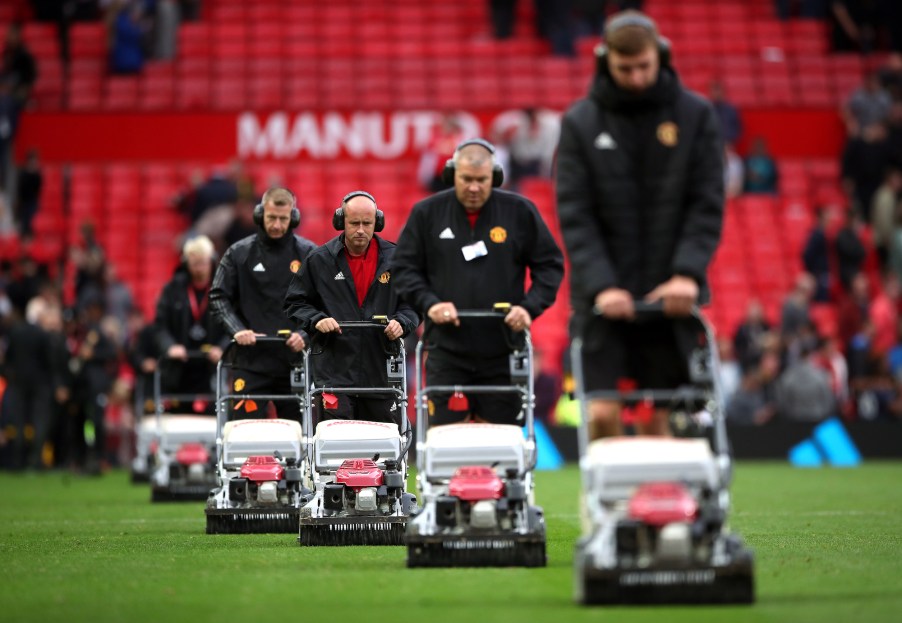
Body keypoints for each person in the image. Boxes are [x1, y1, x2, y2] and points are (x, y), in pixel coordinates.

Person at [555, 10, 725, 439]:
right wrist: (602, 285)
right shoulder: (580, 122)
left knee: (658, 417)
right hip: (601, 299)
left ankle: (658, 506)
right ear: (605, 61)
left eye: (644, 66)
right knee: (601, 415)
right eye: (624, 68)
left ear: (661, 57)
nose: (635, 77)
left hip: (670, 295)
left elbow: (706, 203)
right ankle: (611, 504)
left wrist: (687, 273)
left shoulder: (696, 115)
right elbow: (575, 214)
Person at [393, 137, 564, 426]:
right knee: (446, 438)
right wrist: (429, 304)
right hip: (445, 348)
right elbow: (403, 269)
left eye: (482, 179)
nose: (474, 187)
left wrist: (529, 307)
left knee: (499, 438)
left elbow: (549, 266)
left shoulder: (520, 212)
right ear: (452, 175)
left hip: (503, 347)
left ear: (495, 176)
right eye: (467, 179)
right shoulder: (426, 213)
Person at [283, 191, 420, 426]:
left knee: (384, 452)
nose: (360, 230)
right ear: (340, 222)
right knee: (336, 451)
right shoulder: (319, 260)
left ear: (377, 222)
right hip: (334, 373)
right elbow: (294, 303)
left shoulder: (398, 259)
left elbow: (414, 303)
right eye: (354, 223)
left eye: (367, 223)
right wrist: (317, 319)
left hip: (382, 374)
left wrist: (402, 322)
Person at [210, 187, 316, 420]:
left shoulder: (310, 255)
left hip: (294, 363)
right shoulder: (238, 253)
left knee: (299, 442)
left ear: (293, 218)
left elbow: (326, 303)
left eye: (283, 218)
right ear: (260, 215)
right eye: (271, 218)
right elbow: (218, 297)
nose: (277, 225)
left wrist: (305, 333)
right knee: (243, 438)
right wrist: (237, 330)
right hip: (249, 363)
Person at [154, 235, 227, 411]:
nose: (199, 269)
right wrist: (170, 347)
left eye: (203, 263)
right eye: (195, 264)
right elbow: (159, 326)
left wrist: (222, 348)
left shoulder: (223, 289)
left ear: (212, 261)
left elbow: (233, 325)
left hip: (211, 368)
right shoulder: (172, 289)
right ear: (187, 263)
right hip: (179, 369)